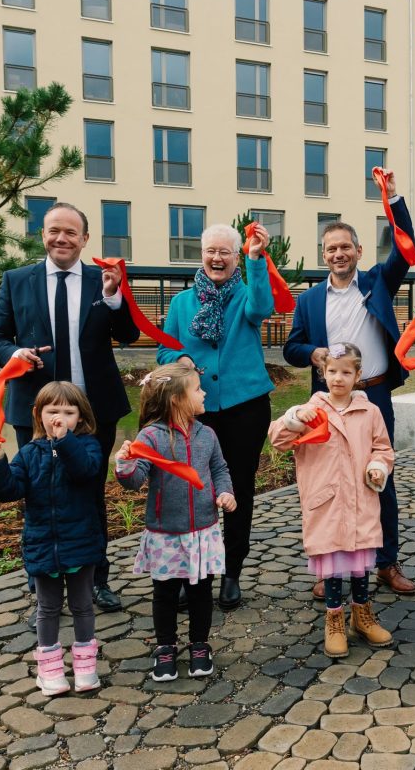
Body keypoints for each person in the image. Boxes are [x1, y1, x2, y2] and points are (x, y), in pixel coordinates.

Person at [0, 202, 139, 614]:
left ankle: (97, 581)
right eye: (54, 230)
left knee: (90, 494)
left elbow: (128, 334)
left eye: (71, 232)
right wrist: (14, 353)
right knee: (38, 493)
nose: (61, 238)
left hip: (92, 413)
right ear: (43, 235)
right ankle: (44, 587)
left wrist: (113, 298)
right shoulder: (16, 280)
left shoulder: (104, 279)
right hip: (35, 413)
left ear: (84, 239)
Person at [283, 168, 415, 598]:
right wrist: (313, 354)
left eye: (345, 247)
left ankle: (386, 562)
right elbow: (291, 348)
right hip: (327, 401)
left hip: (373, 394)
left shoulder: (378, 281)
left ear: (359, 250)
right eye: (331, 249)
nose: (339, 254)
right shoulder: (309, 300)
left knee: (379, 476)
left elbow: (404, 247)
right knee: (329, 483)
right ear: (324, 255)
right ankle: (331, 567)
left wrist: (393, 199)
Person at [157, 223, 274, 612]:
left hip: (246, 407)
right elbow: (164, 350)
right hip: (196, 410)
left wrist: (257, 259)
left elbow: (262, 308)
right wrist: (180, 358)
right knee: (193, 490)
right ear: (201, 254)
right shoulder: (181, 303)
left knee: (238, 489)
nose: (217, 258)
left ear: (236, 257)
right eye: (211, 251)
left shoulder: (246, 295)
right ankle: (194, 572)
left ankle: (232, 571)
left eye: (225, 252)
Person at [268, 343, 396, 658]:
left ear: (357, 375)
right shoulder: (311, 411)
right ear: (323, 373)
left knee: (360, 562)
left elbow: (382, 448)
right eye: (333, 371)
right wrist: (294, 418)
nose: (339, 378)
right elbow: (278, 440)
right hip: (326, 500)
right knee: (334, 563)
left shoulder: (370, 412)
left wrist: (378, 467)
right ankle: (334, 619)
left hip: (360, 499)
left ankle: (362, 615)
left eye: (346, 372)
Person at [0, 381, 105, 696]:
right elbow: (9, 490)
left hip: (81, 543)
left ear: (81, 416)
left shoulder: (88, 446)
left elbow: (85, 471)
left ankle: (86, 670)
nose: (59, 418)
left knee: (82, 605)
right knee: (47, 608)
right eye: (52, 411)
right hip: (43, 545)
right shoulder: (29, 453)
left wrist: (64, 442)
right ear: (39, 415)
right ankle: (51, 673)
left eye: (68, 412)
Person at [115, 364, 236, 682]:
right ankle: (166, 647)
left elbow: (220, 469)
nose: (204, 393)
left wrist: (225, 492)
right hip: (166, 534)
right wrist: (125, 464)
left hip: (203, 531)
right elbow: (135, 480)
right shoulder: (150, 436)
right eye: (197, 389)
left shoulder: (207, 434)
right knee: (165, 594)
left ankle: (199, 645)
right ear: (176, 399)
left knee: (201, 593)